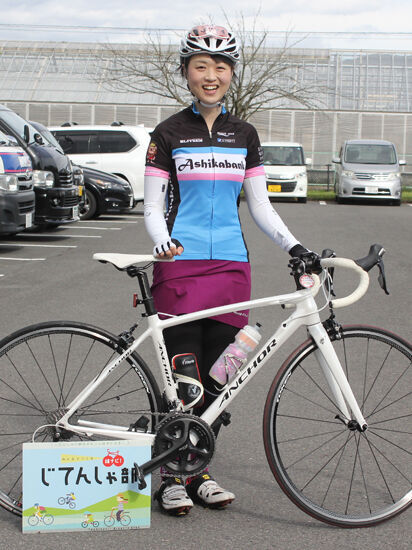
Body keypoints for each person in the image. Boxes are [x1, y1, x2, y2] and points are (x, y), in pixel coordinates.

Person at [144, 24, 310, 516]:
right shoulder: (168, 133)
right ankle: (171, 479)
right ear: (186, 72)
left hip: (231, 269)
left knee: (220, 381)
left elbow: (260, 206)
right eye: (201, 66)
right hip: (180, 265)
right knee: (186, 379)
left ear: (232, 74)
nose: (211, 75)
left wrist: (295, 246)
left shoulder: (245, 135)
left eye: (220, 67)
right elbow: (151, 207)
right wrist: (162, 242)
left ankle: (199, 473)